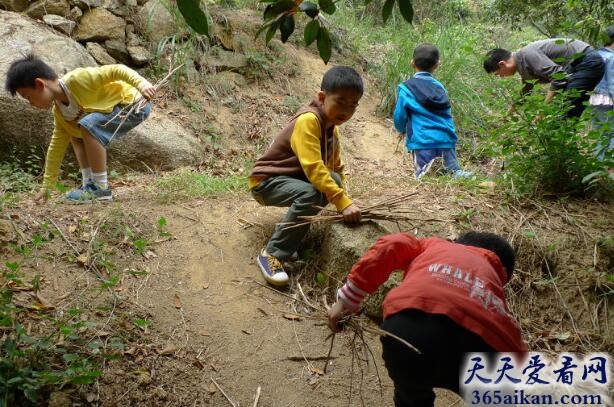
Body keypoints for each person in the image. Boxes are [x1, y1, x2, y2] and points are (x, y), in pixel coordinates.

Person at [327, 231, 528, 407]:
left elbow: (392, 244)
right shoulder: (490, 284)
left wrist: (347, 300)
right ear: (502, 274)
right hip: (478, 347)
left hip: (408, 331)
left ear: (456, 242)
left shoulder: (434, 245)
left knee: (410, 393)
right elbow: (508, 334)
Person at [249, 65, 363, 287]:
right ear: (322, 97)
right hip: (266, 182)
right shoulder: (308, 121)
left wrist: (345, 198)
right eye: (340, 102)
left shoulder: (332, 128)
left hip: (291, 179)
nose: (347, 111)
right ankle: (272, 254)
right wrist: (340, 201)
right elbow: (313, 168)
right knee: (312, 193)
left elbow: (335, 167)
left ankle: (290, 237)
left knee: (334, 181)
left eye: (353, 105)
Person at [5, 54, 156, 204]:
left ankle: (101, 187)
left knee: (87, 125)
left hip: (133, 104)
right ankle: (88, 183)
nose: (30, 103)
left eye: (28, 97)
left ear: (39, 84)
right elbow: (56, 147)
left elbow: (116, 70)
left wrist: (142, 84)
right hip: (112, 112)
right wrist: (47, 186)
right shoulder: (60, 113)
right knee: (75, 135)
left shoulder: (77, 80)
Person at [393, 43, 471, 179]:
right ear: (437, 65)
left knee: (424, 177)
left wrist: (401, 129)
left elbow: (400, 116)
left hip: (423, 141)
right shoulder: (440, 88)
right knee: (451, 172)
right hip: (446, 139)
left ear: (412, 63)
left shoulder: (406, 89)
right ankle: (463, 176)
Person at [483, 38, 605, 118]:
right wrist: (507, 115)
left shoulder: (527, 54)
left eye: (498, 73)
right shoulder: (522, 63)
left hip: (586, 61)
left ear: (502, 64)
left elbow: (559, 76)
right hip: (580, 65)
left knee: (564, 111)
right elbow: (526, 92)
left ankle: (561, 153)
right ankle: (564, 152)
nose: (500, 76)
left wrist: (542, 110)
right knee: (568, 111)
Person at [590, 26, 614, 165]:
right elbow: (613, 83)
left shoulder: (596, 54)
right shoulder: (612, 57)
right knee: (611, 133)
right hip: (608, 100)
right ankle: (610, 168)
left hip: (594, 98)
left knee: (601, 134)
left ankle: (600, 167)